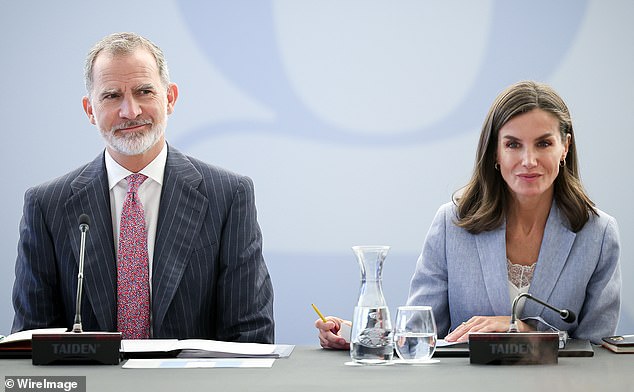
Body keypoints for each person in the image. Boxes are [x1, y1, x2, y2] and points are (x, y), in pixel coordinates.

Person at [12, 32, 274, 343]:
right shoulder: (46, 205)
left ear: (170, 98)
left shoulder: (229, 196)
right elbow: (31, 342)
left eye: (144, 91)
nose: (131, 111)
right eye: (111, 96)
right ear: (89, 110)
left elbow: (251, 335)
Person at [316, 81, 621, 348]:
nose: (529, 160)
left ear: (565, 147)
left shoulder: (599, 233)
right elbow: (418, 334)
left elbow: (597, 348)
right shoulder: (452, 224)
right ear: (495, 153)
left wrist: (524, 331)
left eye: (544, 143)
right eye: (513, 144)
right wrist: (357, 336)